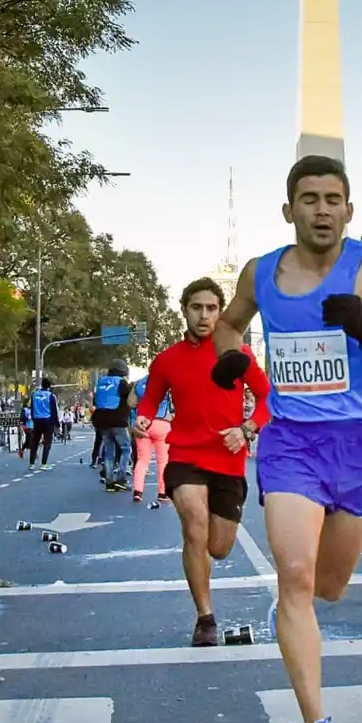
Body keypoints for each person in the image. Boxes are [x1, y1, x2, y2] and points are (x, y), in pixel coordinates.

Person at [208, 154, 362, 723]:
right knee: (297, 574)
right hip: (289, 441)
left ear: (349, 209)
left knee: (331, 586)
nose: (321, 209)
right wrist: (232, 362)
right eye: (308, 198)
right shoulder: (261, 273)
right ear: (289, 210)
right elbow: (229, 328)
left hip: (359, 441)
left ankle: (295, 613)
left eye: (332, 198)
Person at [136, 276, 271, 647]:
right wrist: (144, 418)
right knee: (194, 526)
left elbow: (267, 399)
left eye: (212, 308)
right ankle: (205, 618)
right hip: (185, 455)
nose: (204, 315)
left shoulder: (237, 355)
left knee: (219, 547)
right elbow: (150, 399)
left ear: (220, 312)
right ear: (184, 310)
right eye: (197, 307)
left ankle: (206, 598)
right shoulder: (167, 360)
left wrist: (246, 429)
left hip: (228, 458)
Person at [130, 372, 174, 506]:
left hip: (143, 423)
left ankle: (138, 491)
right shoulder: (167, 382)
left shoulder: (138, 383)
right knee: (163, 461)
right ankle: (162, 492)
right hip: (162, 422)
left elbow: (131, 403)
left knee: (142, 459)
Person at [92, 360, 134, 491]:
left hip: (101, 421)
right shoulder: (121, 382)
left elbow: (96, 400)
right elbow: (129, 397)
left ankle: (109, 482)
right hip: (117, 420)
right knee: (126, 449)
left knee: (109, 451)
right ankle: (121, 478)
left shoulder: (101, 381)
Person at [27, 378, 59, 470]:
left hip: (37, 421)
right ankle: (44, 464)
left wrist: (34, 419)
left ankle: (31, 464)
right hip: (48, 421)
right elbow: (54, 411)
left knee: (35, 442)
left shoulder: (34, 395)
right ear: (49, 386)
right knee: (47, 442)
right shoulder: (51, 396)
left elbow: (32, 408)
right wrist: (56, 424)